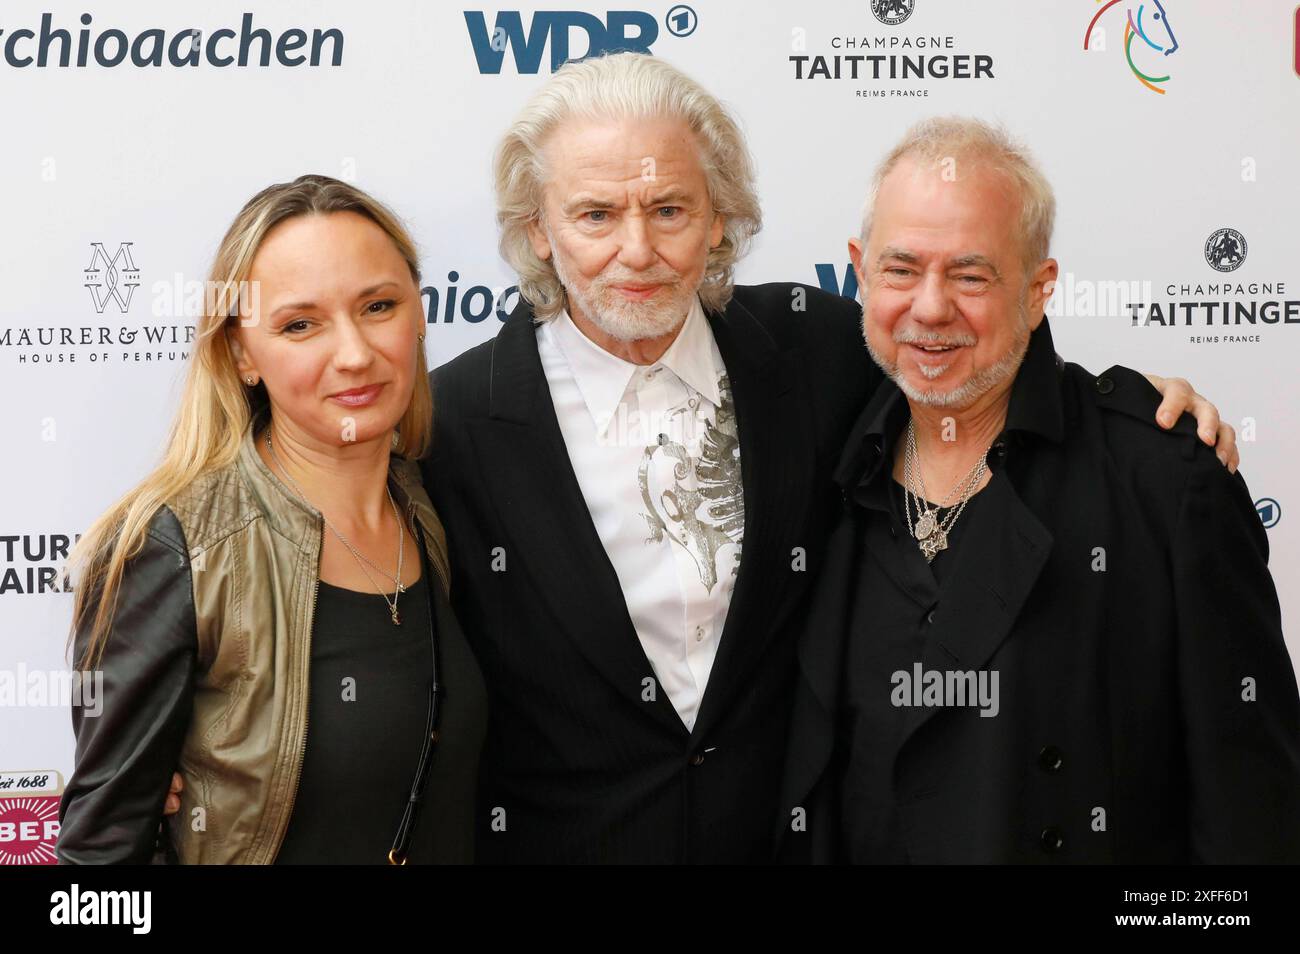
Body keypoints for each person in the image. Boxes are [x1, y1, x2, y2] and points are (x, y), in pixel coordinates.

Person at [422, 53, 1236, 863]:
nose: (637, 251)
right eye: (595, 214)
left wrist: (1134, 409)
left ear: (718, 219)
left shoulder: (814, 352)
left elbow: (961, 358)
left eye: (669, 209)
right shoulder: (445, 425)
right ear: (537, 228)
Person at [776, 117, 1300, 864]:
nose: (929, 308)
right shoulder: (820, 459)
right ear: (860, 272)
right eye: (901, 269)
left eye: (970, 274)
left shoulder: (1162, 481)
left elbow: (1253, 811)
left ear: (1038, 289)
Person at [57, 175, 487, 864]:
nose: (353, 353)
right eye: (299, 324)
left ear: (420, 314)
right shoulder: (172, 547)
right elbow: (96, 873)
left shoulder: (431, 508)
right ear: (241, 354)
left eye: (378, 305)